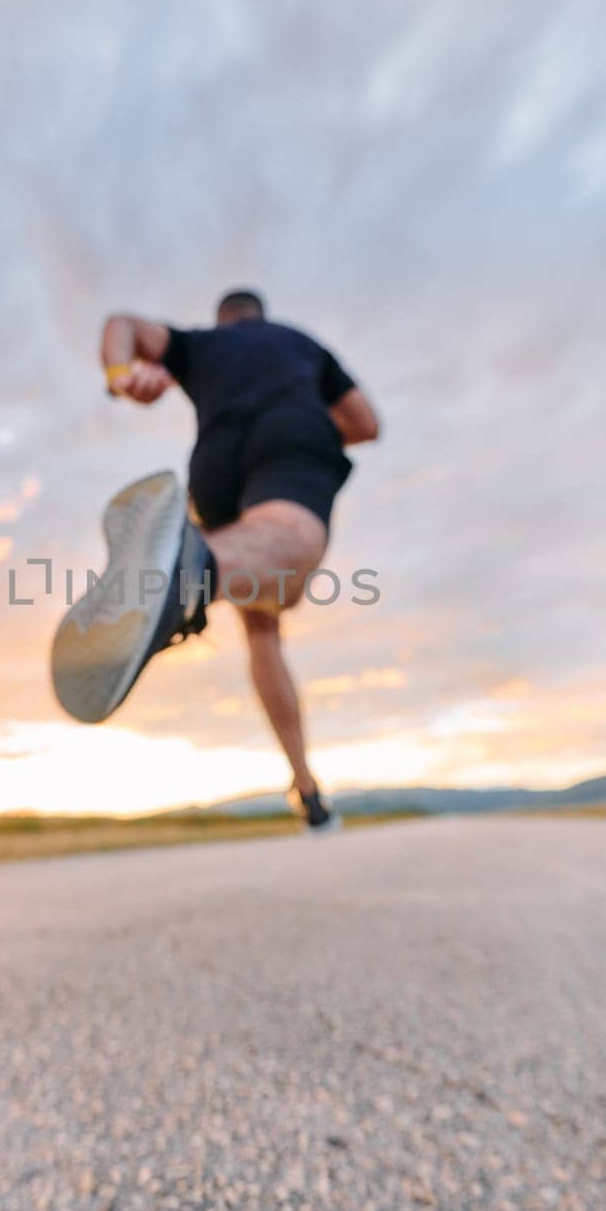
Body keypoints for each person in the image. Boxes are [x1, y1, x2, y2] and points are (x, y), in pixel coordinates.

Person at [51, 289, 380, 829]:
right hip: (289, 438)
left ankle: (306, 788)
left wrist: (122, 377)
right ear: (261, 314)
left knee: (259, 618)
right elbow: (365, 424)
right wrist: (319, 424)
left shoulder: (200, 345)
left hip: (213, 470)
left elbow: (122, 322)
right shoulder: (301, 345)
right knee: (285, 543)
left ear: (223, 318)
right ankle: (186, 569)